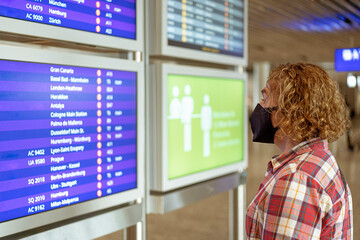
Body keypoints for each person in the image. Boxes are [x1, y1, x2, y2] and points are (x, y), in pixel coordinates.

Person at [247, 63, 353, 239]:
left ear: (289, 111)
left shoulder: (296, 179)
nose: (259, 105)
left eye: (265, 98)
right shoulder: (320, 159)